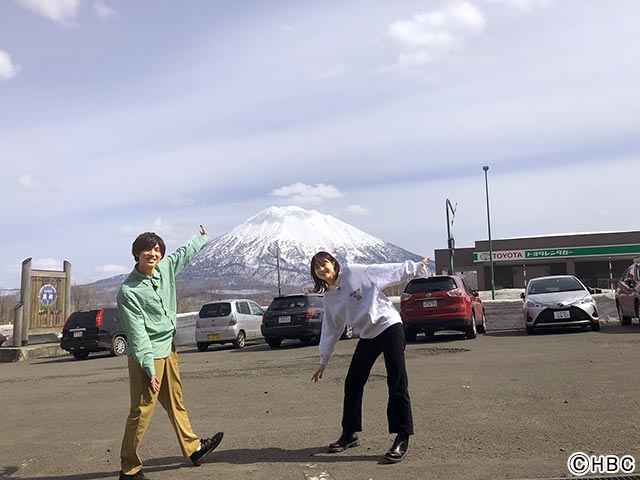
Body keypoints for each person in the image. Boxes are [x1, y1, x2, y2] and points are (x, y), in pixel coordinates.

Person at [117, 225, 223, 480]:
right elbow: (137, 332)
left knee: (176, 403)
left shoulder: (165, 269)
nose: (152, 253)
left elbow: (183, 254)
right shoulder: (128, 291)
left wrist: (203, 239)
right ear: (136, 254)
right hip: (148, 355)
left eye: (157, 249)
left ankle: (193, 448)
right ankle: (129, 469)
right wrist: (149, 368)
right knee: (142, 410)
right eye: (147, 249)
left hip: (169, 349)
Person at [310, 251, 430, 464]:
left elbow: (388, 271)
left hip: (389, 325)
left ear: (334, 264)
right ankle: (349, 433)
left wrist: (415, 267)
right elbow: (331, 329)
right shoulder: (330, 297)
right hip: (368, 334)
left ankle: (402, 437)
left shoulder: (355, 272)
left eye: (324, 264)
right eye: (317, 267)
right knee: (353, 382)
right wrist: (323, 360)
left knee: (397, 381)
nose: (322, 269)